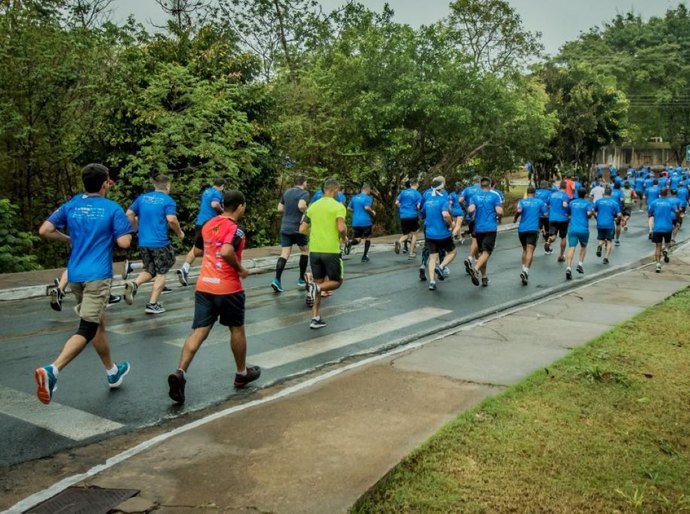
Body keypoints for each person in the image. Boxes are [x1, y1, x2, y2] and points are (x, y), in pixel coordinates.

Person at [34, 164, 133, 405]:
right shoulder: (112, 209)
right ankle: (53, 370)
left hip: (75, 276)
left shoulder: (72, 204)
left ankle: (112, 371)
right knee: (87, 329)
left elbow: (45, 230)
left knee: (98, 324)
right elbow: (124, 243)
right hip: (98, 276)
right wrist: (127, 228)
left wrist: (67, 238)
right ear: (104, 184)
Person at [167, 190, 261, 404]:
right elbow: (228, 251)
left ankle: (180, 372)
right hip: (229, 288)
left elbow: (198, 251)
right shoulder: (236, 230)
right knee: (236, 328)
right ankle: (241, 373)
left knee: (199, 332)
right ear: (239, 206)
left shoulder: (209, 224)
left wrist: (213, 246)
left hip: (205, 286)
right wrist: (240, 269)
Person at [124, 175, 184, 314]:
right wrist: (180, 233)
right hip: (160, 242)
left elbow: (129, 214)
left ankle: (134, 284)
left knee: (149, 270)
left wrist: (135, 229)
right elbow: (171, 219)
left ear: (155, 186)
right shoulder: (168, 200)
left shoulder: (142, 198)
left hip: (144, 241)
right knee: (161, 272)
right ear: (167, 186)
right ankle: (152, 304)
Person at [300, 178, 348, 329]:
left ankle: (315, 318)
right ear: (334, 190)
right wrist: (345, 237)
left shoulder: (313, 207)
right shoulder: (338, 207)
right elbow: (341, 228)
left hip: (315, 250)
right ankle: (317, 288)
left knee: (319, 281)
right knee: (336, 281)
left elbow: (302, 229)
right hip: (331, 250)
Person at [177, 178, 226, 286]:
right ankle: (213, 273)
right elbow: (214, 204)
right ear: (222, 186)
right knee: (215, 247)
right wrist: (223, 212)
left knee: (196, 248)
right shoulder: (217, 193)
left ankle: (185, 268)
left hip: (200, 222)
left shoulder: (207, 191)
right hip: (211, 224)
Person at [271, 174, 310, 293]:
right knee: (304, 251)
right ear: (303, 182)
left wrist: (289, 212)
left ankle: (276, 280)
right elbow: (301, 205)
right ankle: (301, 279)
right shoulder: (304, 193)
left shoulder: (287, 192)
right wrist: (307, 212)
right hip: (298, 227)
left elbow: (279, 208)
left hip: (285, 226)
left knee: (284, 253)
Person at [466, 177, 503, 287]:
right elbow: (499, 211)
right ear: (490, 185)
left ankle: (484, 276)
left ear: (480, 185)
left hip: (479, 228)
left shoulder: (475, 196)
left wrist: (471, 215)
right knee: (487, 252)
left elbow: (471, 209)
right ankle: (476, 269)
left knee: (483, 254)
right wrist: (499, 218)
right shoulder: (495, 195)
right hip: (490, 227)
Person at [421, 178, 457, 291]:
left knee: (432, 258)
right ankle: (441, 266)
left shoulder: (427, 201)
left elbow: (422, 215)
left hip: (430, 234)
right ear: (441, 188)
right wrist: (451, 224)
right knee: (453, 252)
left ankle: (432, 282)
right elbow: (445, 214)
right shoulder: (443, 200)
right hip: (443, 234)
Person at [514, 186, 548, 285]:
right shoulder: (539, 202)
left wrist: (515, 219)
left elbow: (519, 211)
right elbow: (545, 214)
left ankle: (523, 268)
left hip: (522, 229)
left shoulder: (522, 202)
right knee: (530, 250)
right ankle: (526, 271)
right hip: (533, 229)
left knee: (524, 249)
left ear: (527, 193)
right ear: (535, 193)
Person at [565, 188, 595, 280]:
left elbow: (568, 213)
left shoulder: (572, 203)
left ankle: (568, 267)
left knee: (571, 248)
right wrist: (591, 213)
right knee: (583, 247)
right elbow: (589, 214)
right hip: (583, 229)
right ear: (585, 194)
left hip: (573, 228)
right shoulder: (588, 203)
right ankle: (580, 264)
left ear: (577, 193)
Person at [648, 188, 677, 273]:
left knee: (657, 247)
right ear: (667, 194)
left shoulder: (654, 202)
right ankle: (666, 250)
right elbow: (676, 211)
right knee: (667, 243)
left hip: (657, 227)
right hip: (668, 227)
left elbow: (650, 213)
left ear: (660, 193)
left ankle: (658, 265)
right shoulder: (670, 202)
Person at [347, 184, 376, 262]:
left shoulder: (354, 197)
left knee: (358, 239)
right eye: (369, 190)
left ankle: (349, 243)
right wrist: (372, 211)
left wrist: (355, 211)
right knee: (368, 238)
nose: (370, 192)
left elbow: (349, 208)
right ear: (367, 190)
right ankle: (364, 256)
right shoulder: (367, 198)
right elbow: (366, 207)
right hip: (365, 221)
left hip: (356, 221)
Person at [593, 186, 622, 265]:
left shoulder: (598, 201)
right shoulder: (614, 203)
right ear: (611, 194)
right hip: (609, 224)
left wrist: (596, 217)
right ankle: (606, 258)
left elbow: (593, 211)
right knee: (609, 241)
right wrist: (617, 219)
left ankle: (600, 246)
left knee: (601, 239)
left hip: (600, 223)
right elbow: (619, 215)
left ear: (603, 194)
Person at [395, 179, 422, 258]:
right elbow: (418, 206)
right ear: (415, 184)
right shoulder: (417, 194)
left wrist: (402, 208)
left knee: (406, 234)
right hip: (413, 215)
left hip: (403, 216)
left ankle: (399, 241)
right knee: (415, 233)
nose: (418, 185)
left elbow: (396, 203)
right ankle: (411, 253)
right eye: (418, 183)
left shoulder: (403, 192)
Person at [545, 181, 571, 262]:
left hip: (552, 218)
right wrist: (568, 212)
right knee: (563, 237)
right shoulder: (565, 195)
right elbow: (565, 205)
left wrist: (552, 209)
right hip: (563, 219)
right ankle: (561, 256)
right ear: (565, 187)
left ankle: (549, 240)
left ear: (559, 187)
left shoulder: (552, 195)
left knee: (553, 235)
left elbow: (547, 204)